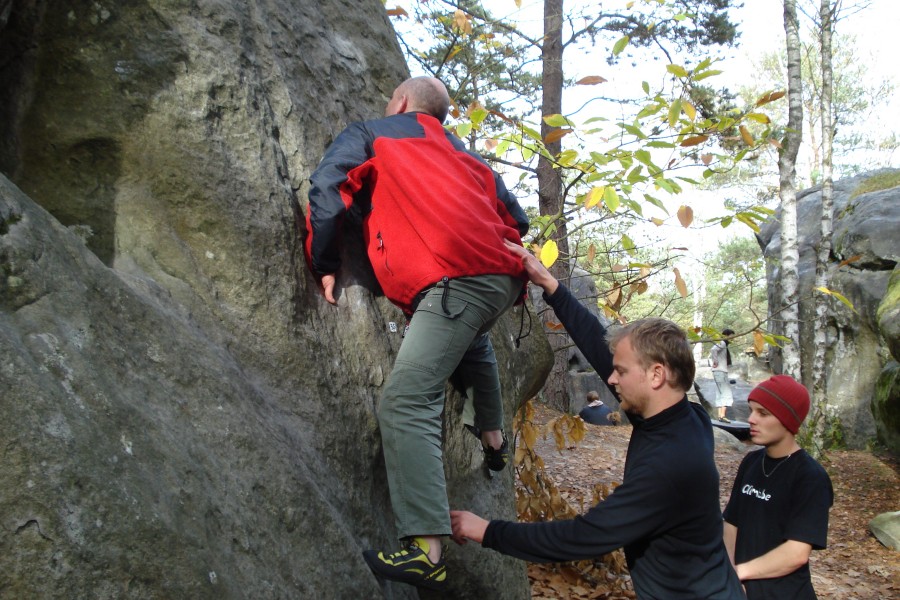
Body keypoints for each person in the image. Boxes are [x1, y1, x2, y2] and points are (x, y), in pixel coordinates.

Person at [305, 76, 529, 591]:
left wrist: (323, 259)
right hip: (498, 277)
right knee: (466, 338)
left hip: (458, 278)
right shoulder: (467, 157)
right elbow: (515, 216)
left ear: (402, 103)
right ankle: (493, 437)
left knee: (406, 400)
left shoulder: (375, 132)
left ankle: (424, 551)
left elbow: (328, 185)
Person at [450, 241, 744, 599]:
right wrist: (550, 285)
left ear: (656, 375)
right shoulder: (683, 415)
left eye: (621, 371)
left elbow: (583, 537)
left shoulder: (670, 466)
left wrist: (485, 530)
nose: (611, 379)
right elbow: (598, 345)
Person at [723, 375, 834, 599]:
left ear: (788, 419)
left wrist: (739, 573)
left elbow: (796, 553)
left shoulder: (810, 477)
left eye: (763, 413)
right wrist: (729, 575)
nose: (752, 419)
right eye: (752, 410)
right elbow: (731, 524)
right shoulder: (751, 462)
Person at [710, 328, 735, 422]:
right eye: (731, 336)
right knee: (726, 393)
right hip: (720, 371)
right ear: (727, 336)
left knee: (720, 392)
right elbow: (713, 350)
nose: (733, 338)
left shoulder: (724, 344)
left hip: (720, 371)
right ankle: (722, 416)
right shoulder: (723, 343)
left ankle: (720, 416)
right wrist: (715, 362)